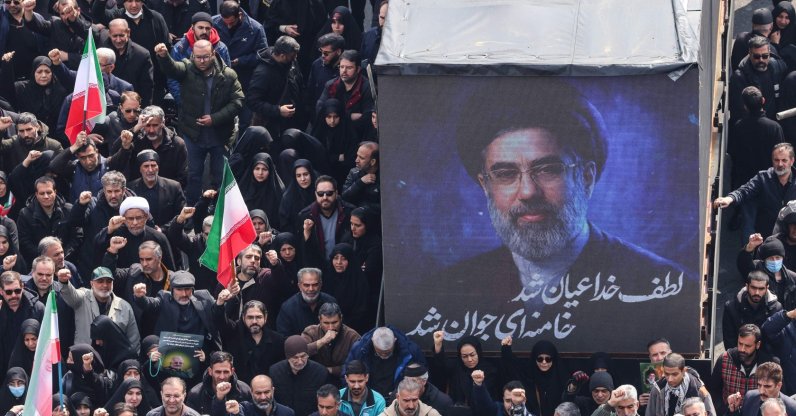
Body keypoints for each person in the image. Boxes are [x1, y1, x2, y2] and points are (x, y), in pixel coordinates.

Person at [445, 79, 692, 331]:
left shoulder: (669, 288)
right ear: (485, 185)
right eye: (506, 174)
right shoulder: (449, 290)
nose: (528, 192)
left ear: (586, 177)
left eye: (548, 170)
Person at [153, 39, 243, 205]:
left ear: (213, 54)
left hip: (219, 135)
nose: (202, 61)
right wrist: (164, 56)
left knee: (221, 176)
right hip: (193, 134)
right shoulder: (187, 69)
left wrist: (214, 119)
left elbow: (238, 102)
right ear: (193, 55)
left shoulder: (228, 75)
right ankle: (192, 212)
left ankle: (221, 210)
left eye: (206, 57)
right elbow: (172, 68)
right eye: (198, 57)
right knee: (193, 175)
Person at [716, 143, 796, 239]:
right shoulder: (763, 177)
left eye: (784, 160)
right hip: (766, 230)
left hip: (791, 232)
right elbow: (745, 190)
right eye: (776, 160)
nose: (780, 164)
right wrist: (729, 198)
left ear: (792, 161)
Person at [133, 270, 223, 353]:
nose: (184, 294)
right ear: (172, 290)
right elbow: (149, 304)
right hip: (171, 353)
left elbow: (218, 313)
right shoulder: (164, 298)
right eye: (179, 290)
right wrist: (140, 297)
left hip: (200, 354)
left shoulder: (204, 297)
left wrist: (221, 302)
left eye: (187, 289)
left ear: (193, 289)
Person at [57, 266, 141, 354]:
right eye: (100, 281)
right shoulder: (83, 297)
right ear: (92, 283)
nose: (105, 285)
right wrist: (64, 282)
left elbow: (133, 339)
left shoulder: (124, 306)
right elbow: (71, 296)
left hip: (114, 359)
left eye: (108, 281)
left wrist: (132, 360)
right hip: (85, 357)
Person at [69, 170, 134, 279]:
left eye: (116, 191)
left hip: (123, 266)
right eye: (109, 191)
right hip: (93, 263)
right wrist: (80, 205)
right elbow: (74, 222)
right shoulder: (92, 204)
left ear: (123, 190)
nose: (113, 195)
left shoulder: (134, 206)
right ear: (104, 190)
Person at [93, 195, 177, 271]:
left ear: (146, 217)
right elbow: (98, 249)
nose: (135, 222)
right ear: (124, 219)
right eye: (130, 218)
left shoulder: (158, 237)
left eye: (139, 218)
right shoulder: (116, 235)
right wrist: (109, 230)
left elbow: (169, 270)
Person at [49, 130, 134, 204]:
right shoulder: (74, 168)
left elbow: (123, 157)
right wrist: (74, 146)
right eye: (83, 158)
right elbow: (54, 166)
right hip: (80, 213)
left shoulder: (109, 164)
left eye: (91, 156)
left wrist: (126, 146)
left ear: (97, 152)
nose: (88, 161)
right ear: (77, 156)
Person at [115, 105, 188, 188]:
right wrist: (135, 128)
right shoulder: (137, 141)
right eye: (148, 125)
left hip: (168, 193)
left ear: (163, 123)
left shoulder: (177, 144)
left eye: (155, 125)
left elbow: (183, 176)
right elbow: (115, 153)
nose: (151, 130)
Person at [247, 35, 304, 141]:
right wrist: (277, 110)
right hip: (271, 126)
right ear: (282, 55)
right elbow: (252, 101)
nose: (295, 58)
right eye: (292, 56)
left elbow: (299, 82)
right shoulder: (263, 73)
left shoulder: (291, 63)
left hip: (293, 120)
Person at [709, 324, 775, 416]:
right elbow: (713, 391)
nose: (742, 349)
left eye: (748, 346)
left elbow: (778, 395)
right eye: (740, 344)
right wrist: (725, 410)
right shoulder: (724, 359)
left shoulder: (769, 365)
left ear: (758, 345)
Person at [727, 87, 784, 193]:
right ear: (763, 100)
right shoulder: (774, 127)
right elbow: (781, 156)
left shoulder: (739, 126)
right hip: (768, 183)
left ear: (745, 107)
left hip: (745, 184)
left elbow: (733, 154)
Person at [215, 300, 286, 383]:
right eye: (250, 317)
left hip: (266, 391)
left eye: (258, 317)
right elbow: (220, 321)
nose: (254, 321)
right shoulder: (234, 333)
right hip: (240, 390)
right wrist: (220, 303)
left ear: (265, 317)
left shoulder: (277, 340)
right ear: (243, 317)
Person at [168, 11, 231, 104]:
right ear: (192, 27)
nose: (204, 31)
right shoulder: (180, 48)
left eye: (207, 28)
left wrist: (220, 102)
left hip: (214, 101)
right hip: (188, 100)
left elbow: (228, 77)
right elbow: (173, 78)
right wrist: (183, 102)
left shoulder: (220, 48)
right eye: (200, 28)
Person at [345, 326, 425, 398]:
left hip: (399, 397)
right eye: (380, 352)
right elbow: (347, 373)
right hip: (368, 397)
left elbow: (423, 377)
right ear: (372, 341)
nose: (383, 355)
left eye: (387, 352)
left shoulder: (410, 351)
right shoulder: (360, 349)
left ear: (395, 340)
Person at [298, 176, 354, 270]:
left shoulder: (349, 212)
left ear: (336, 193)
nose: (324, 197)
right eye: (320, 194)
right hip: (319, 268)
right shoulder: (305, 215)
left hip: (345, 267)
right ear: (315, 194)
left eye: (329, 193)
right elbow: (303, 249)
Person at [501, 337, 566, 416]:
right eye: (540, 359)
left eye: (548, 359)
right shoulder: (529, 377)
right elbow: (513, 367)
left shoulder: (561, 377)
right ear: (535, 359)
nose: (544, 362)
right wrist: (506, 348)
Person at [729, 36, 788, 123]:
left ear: (769, 53)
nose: (761, 60)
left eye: (765, 56)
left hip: (775, 121)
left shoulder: (778, 67)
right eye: (756, 56)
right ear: (749, 53)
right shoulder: (739, 78)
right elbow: (738, 111)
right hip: (752, 125)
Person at [16, 176, 75, 263]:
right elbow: (24, 241)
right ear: (36, 194)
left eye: (49, 192)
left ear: (55, 192)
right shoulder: (25, 214)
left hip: (66, 260)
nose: (46, 196)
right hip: (38, 262)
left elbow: (76, 236)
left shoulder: (69, 210)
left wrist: (61, 255)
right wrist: (44, 257)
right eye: (42, 193)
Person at [431, 332, 498, 406]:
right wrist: (438, 344)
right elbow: (441, 366)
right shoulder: (456, 366)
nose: (469, 359)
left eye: (472, 355)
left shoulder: (489, 370)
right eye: (465, 356)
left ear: (478, 352)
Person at [99, 19, 155, 107]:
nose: (118, 40)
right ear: (109, 34)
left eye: (121, 35)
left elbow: (146, 89)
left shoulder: (142, 55)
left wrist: (143, 111)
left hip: (131, 109)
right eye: (114, 36)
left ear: (128, 32)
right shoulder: (101, 51)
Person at [316, 50, 373, 136]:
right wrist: (348, 116)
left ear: (358, 69)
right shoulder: (331, 85)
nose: (344, 71)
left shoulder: (366, 88)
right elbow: (320, 109)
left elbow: (368, 118)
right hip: (332, 133)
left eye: (349, 68)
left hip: (357, 135)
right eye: (341, 67)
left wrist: (335, 115)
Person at [270, 335, 328, 416]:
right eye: (295, 357)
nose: (300, 361)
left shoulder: (320, 372)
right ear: (287, 357)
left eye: (303, 356)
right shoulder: (275, 372)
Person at [301, 302, 361, 381]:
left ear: (341, 318)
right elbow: (300, 353)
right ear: (319, 319)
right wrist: (322, 341)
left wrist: (330, 370)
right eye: (326, 323)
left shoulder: (352, 336)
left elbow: (358, 365)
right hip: (314, 379)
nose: (330, 327)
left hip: (342, 380)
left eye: (334, 322)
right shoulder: (310, 332)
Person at [722, 271, 782, 348]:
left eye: (761, 289)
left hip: (766, 355)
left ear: (767, 288)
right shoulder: (731, 307)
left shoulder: (776, 308)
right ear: (747, 286)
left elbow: (777, 339)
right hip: (740, 354)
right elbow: (729, 340)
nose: (757, 292)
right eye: (753, 288)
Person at [128, 149, 186, 228]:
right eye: (146, 166)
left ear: (158, 168)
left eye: (153, 165)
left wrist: (163, 230)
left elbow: (181, 215)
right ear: (140, 169)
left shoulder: (173, 187)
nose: (150, 170)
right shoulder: (130, 189)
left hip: (168, 234)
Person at [645, 353, 715, 416]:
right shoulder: (657, 389)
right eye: (667, 374)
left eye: (674, 374)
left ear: (684, 371)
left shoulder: (700, 391)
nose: (670, 379)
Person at [737, 236, 796, 311]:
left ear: (782, 258)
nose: (774, 261)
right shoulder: (756, 269)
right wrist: (750, 247)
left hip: (786, 318)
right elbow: (743, 264)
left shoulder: (792, 278)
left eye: (777, 257)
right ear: (764, 260)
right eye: (771, 258)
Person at [276, 267, 337, 336]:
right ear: (299, 286)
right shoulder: (287, 308)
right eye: (306, 285)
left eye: (315, 285)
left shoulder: (330, 301)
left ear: (320, 285)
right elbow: (284, 338)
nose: (311, 289)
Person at [187, 351, 252, 414]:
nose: (222, 377)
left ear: (232, 371)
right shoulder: (195, 394)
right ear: (210, 371)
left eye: (226, 372)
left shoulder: (244, 390)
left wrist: (238, 412)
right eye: (218, 372)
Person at [323, 243, 369, 333]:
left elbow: (361, 311)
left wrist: (340, 326)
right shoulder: (327, 278)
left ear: (350, 261)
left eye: (344, 259)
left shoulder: (359, 281)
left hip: (352, 329)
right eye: (336, 258)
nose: (339, 262)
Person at [210, 375, 295, 416]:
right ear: (251, 392)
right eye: (258, 393)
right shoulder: (243, 409)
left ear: (273, 390)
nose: (263, 397)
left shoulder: (287, 413)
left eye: (266, 392)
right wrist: (220, 396)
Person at [731, 362, 796, 416]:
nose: (761, 391)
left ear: (779, 385)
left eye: (767, 386)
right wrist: (734, 410)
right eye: (759, 385)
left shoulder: (792, 409)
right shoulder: (750, 397)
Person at [239, 153, 285, 224]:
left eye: (264, 169)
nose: (260, 173)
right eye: (257, 169)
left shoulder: (278, 191)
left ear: (270, 171)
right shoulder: (243, 188)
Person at [307, 35, 344, 119]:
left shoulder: (346, 69)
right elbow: (311, 91)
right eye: (321, 51)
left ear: (338, 52)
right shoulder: (317, 65)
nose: (323, 56)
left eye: (326, 53)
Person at [279, 159, 318, 231]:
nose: (302, 179)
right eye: (298, 176)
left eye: (306, 174)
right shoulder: (288, 197)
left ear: (311, 174)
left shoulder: (320, 193)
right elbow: (284, 224)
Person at [342, 142, 379, 210]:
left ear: (373, 162)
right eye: (357, 156)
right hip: (354, 215)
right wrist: (360, 182)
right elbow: (344, 197)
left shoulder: (384, 177)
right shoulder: (354, 172)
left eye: (361, 158)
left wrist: (363, 210)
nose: (356, 160)